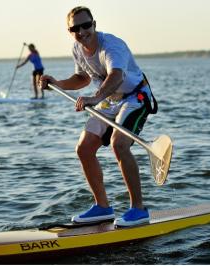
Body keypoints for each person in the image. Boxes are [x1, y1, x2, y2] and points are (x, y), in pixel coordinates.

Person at [40, 6, 158, 227]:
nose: (82, 31)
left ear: (94, 24)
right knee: (83, 149)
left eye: (86, 25)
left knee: (119, 144)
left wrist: (94, 98)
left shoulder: (111, 45)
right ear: (70, 31)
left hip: (135, 96)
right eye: (76, 28)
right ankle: (103, 208)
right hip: (109, 99)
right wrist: (58, 83)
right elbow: (82, 78)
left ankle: (139, 210)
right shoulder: (77, 48)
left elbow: (116, 75)